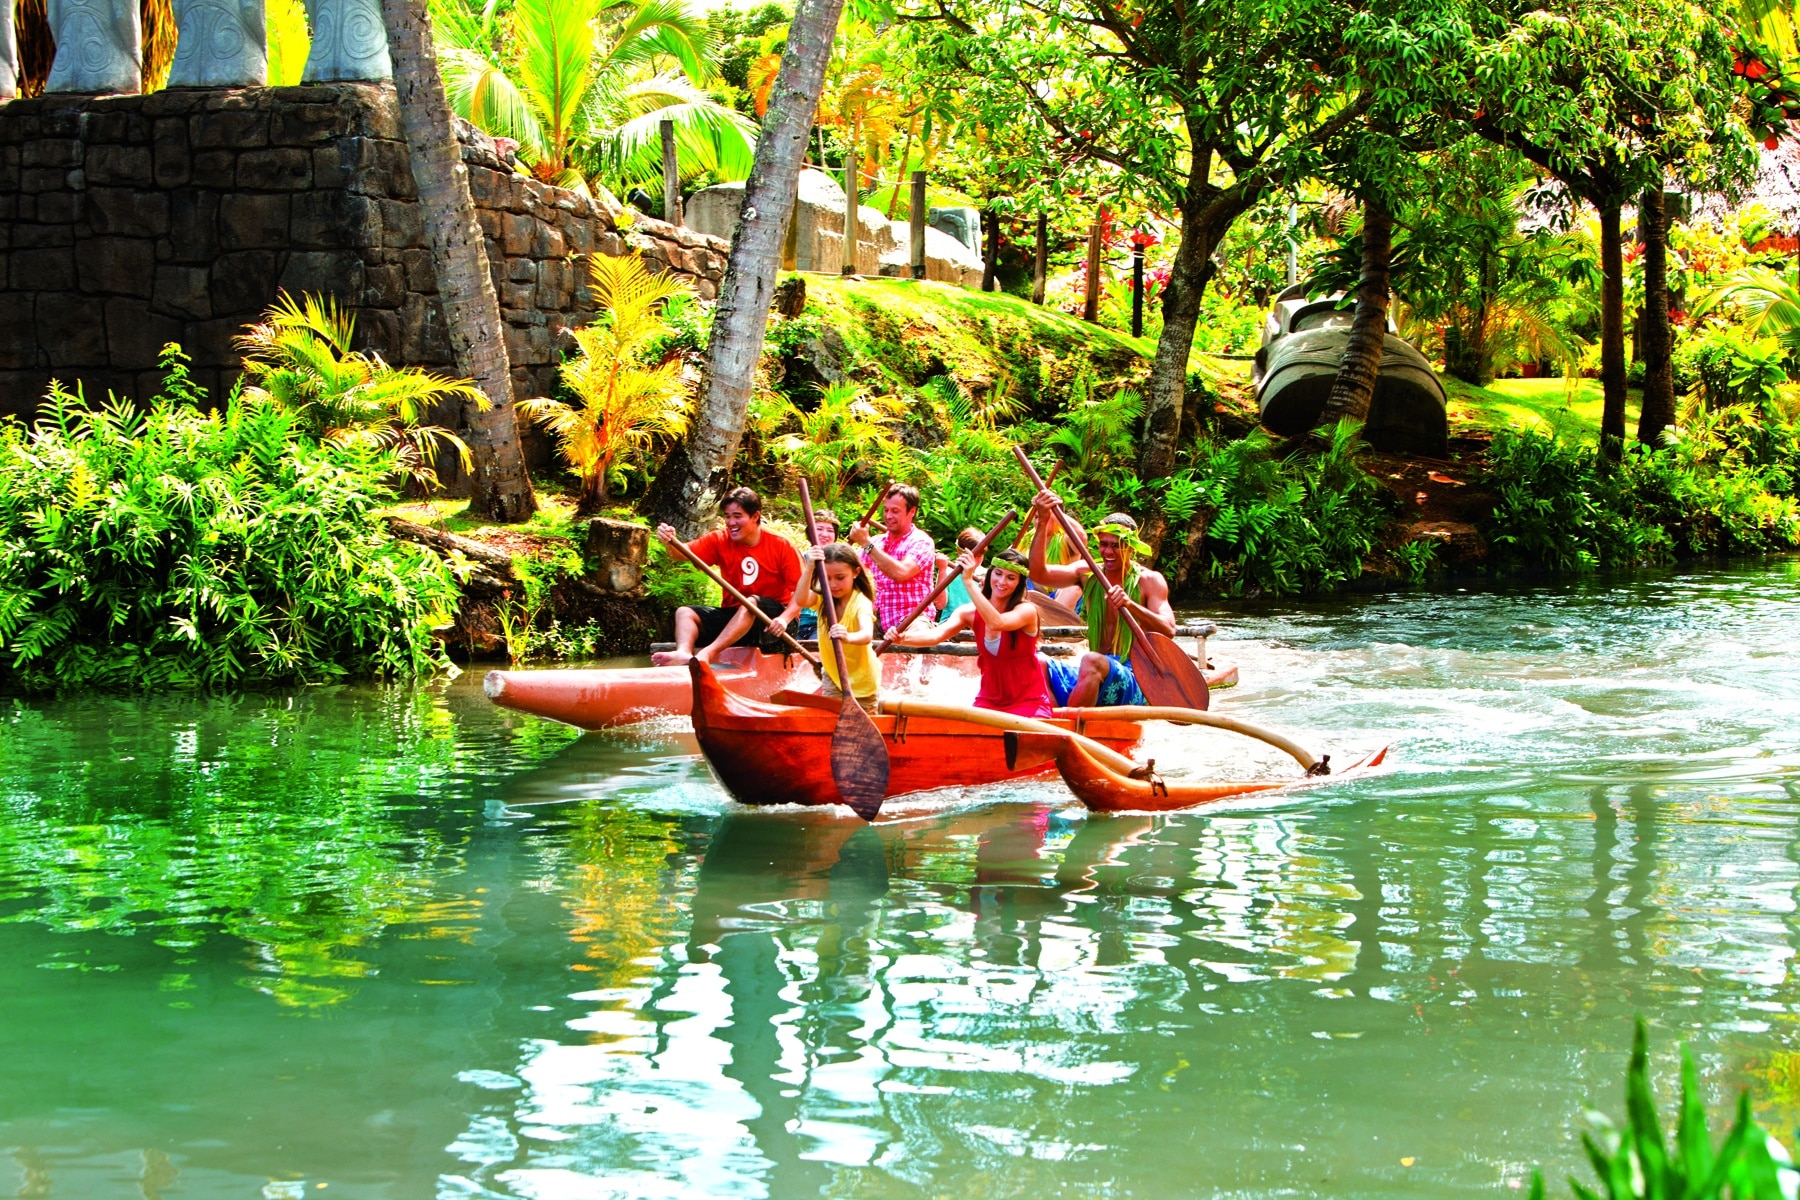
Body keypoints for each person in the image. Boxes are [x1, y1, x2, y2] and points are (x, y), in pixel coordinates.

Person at [1027, 502, 1176, 708]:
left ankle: (1072, 724)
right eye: (1103, 544)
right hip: (1096, 667)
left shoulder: (1150, 581)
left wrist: (1130, 604)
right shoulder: (1088, 573)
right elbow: (1038, 574)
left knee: (1090, 661)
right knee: (1037, 662)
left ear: (1131, 547)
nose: (1108, 551)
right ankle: (1056, 724)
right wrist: (1043, 523)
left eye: (1116, 545)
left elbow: (1169, 629)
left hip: (1136, 674)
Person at [890, 547, 1055, 718]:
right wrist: (902, 638)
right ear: (990, 574)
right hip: (988, 701)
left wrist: (968, 581)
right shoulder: (968, 613)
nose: (1002, 581)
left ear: (1019, 583)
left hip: (1028, 702)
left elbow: (997, 622)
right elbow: (936, 635)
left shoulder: (1026, 611)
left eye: (1011, 577)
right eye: (998, 573)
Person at [652, 487, 802, 666]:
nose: (731, 522)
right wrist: (670, 541)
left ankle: (707, 654)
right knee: (685, 613)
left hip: (774, 625)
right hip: (736, 619)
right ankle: (683, 652)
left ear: (755, 517)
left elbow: (803, 594)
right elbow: (682, 553)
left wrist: (784, 619)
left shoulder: (780, 545)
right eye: (727, 516)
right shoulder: (720, 539)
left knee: (751, 603)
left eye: (737, 516)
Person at [793, 542, 880, 711]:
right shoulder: (824, 595)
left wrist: (848, 637)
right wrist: (809, 569)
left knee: (860, 730)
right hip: (833, 676)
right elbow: (801, 600)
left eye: (840, 578)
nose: (833, 585)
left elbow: (866, 634)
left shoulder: (860, 602)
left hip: (862, 683)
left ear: (856, 573)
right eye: (827, 578)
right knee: (831, 724)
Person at [848, 484, 934, 633]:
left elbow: (900, 574)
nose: (888, 516)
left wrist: (865, 543)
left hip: (911, 618)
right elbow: (854, 575)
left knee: (920, 635)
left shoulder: (921, 542)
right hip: (875, 618)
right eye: (886, 510)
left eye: (895, 511)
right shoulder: (876, 542)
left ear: (911, 511)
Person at [935, 527, 984, 616]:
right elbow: (939, 605)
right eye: (971, 556)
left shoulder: (986, 576)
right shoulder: (948, 572)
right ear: (959, 551)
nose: (974, 561)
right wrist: (942, 570)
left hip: (974, 625)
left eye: (979, 556)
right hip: (950, 623)